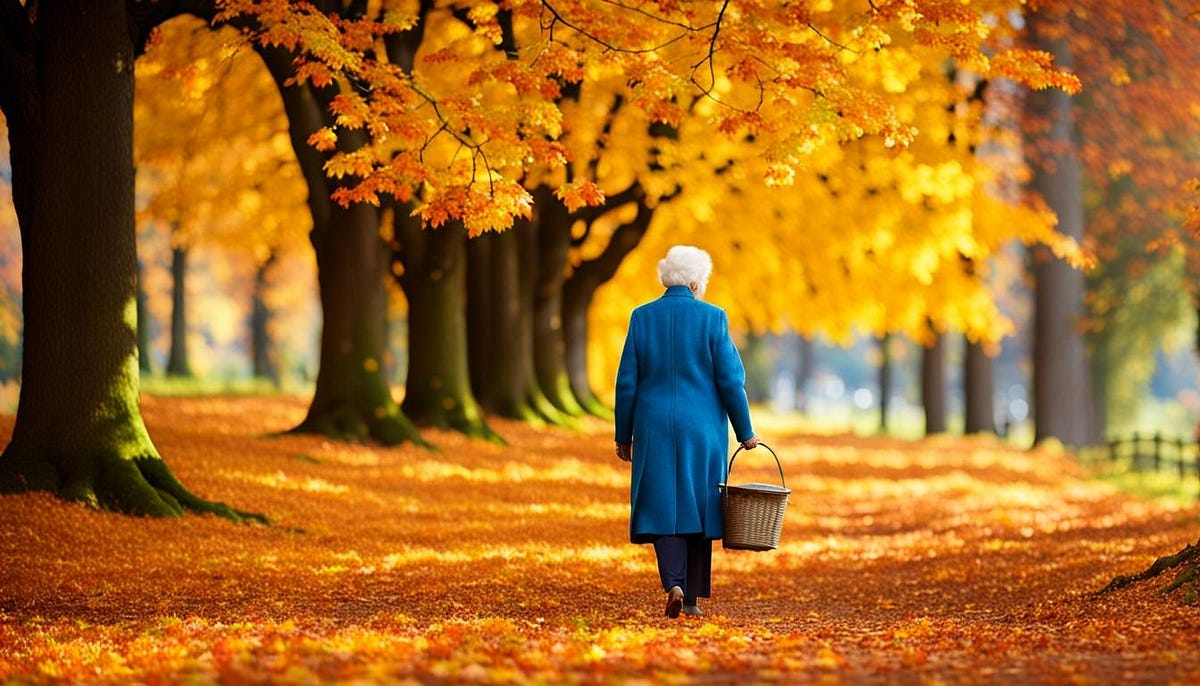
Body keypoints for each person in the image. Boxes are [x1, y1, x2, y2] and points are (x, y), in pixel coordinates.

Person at [614, 245, 758, 619]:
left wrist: (623, 434)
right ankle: (691, 598)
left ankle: (673, 584)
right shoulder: (714, 318)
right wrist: (745, 431)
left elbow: (627, 382)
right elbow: (730, 381)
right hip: (702, 430)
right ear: (696, 281)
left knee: (664, 504)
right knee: (700, 505)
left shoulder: (641, 317)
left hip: (654, 426)